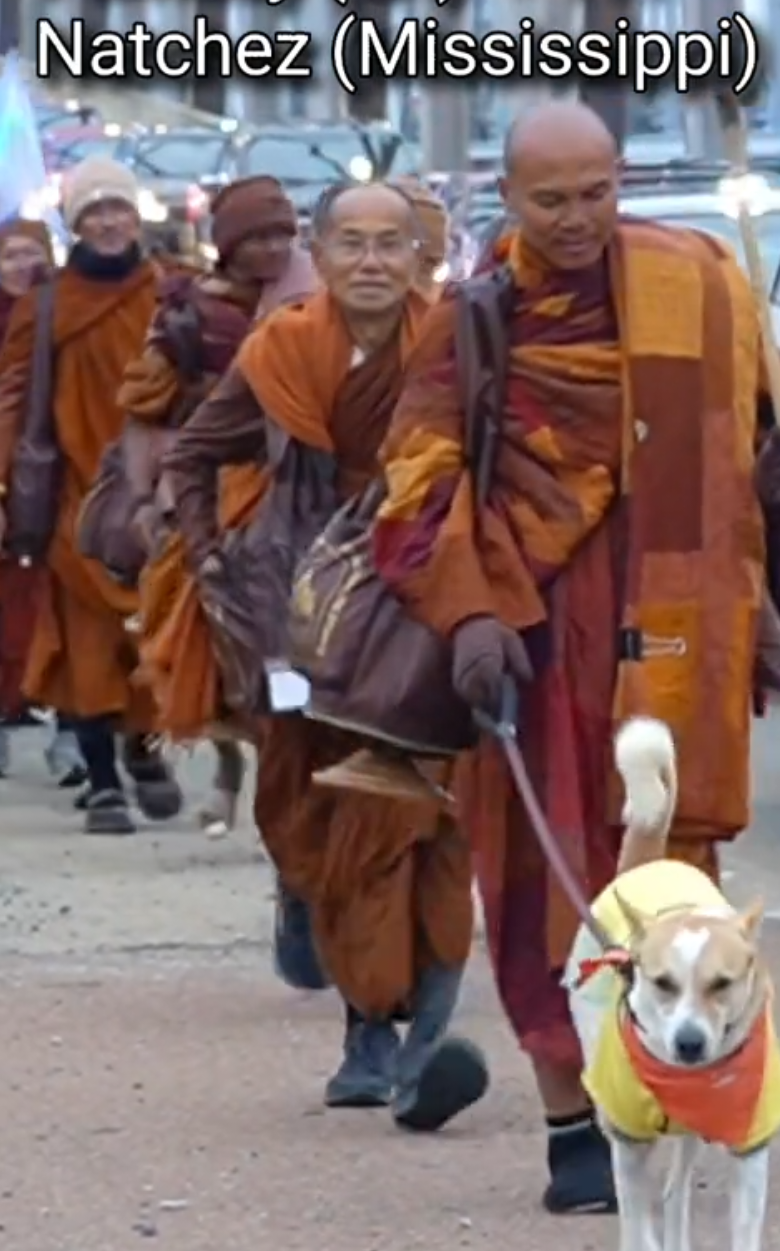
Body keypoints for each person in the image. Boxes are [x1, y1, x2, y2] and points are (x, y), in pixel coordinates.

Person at [373, 101, 780, 1213]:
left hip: (674, 619)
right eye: (552, 199)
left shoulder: (703, 282)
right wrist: (470, 614)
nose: (579, 219)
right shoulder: (473, 321)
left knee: (672, 881)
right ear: (508, 197)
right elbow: (418, 483)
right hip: (530, 633)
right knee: (537, 877)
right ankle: (575, 1119)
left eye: (599, 192)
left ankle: (686, 1088)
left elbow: (771, 411)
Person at [163, 177, 488, 1126]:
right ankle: (363, 1014)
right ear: (323, 250)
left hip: (422, 595)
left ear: (420, 255)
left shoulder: (457, 342)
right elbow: (193, 454)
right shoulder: (283, 349)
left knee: (425, 818)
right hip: (302, 608)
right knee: (312, 820)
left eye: (394, 243)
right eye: (353, 243)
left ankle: (410, 1035)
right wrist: (212, 558)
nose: (374, 262)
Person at [0, 158, 183, 833]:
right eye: (91, 212)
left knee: (154, 639)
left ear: (137, 217)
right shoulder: (47, 303)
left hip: (156, 500)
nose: (107, 221)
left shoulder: (169, 293)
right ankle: (103, 781)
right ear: (73, 224)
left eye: (117, 209)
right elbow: (10, 396)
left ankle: (143, 747)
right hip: (77, 496)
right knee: (85, 647)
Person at [117, 175, 308, 835]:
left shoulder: (315, 301)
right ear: (227, 245)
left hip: (298, 492)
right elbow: (146, 413)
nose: (272, 250)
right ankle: (230, 769)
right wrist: (148, 498)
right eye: (256, 237)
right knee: (217, 642)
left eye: (282, 234)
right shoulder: (189, 318)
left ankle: (288, 779)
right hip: (209, 492)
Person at [0, 219, 56, 781]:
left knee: (41, 601)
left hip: (47, 474)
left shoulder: (61, 313)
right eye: (10, 255)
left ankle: (60, 717)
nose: (21, 265)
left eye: (31, 253)